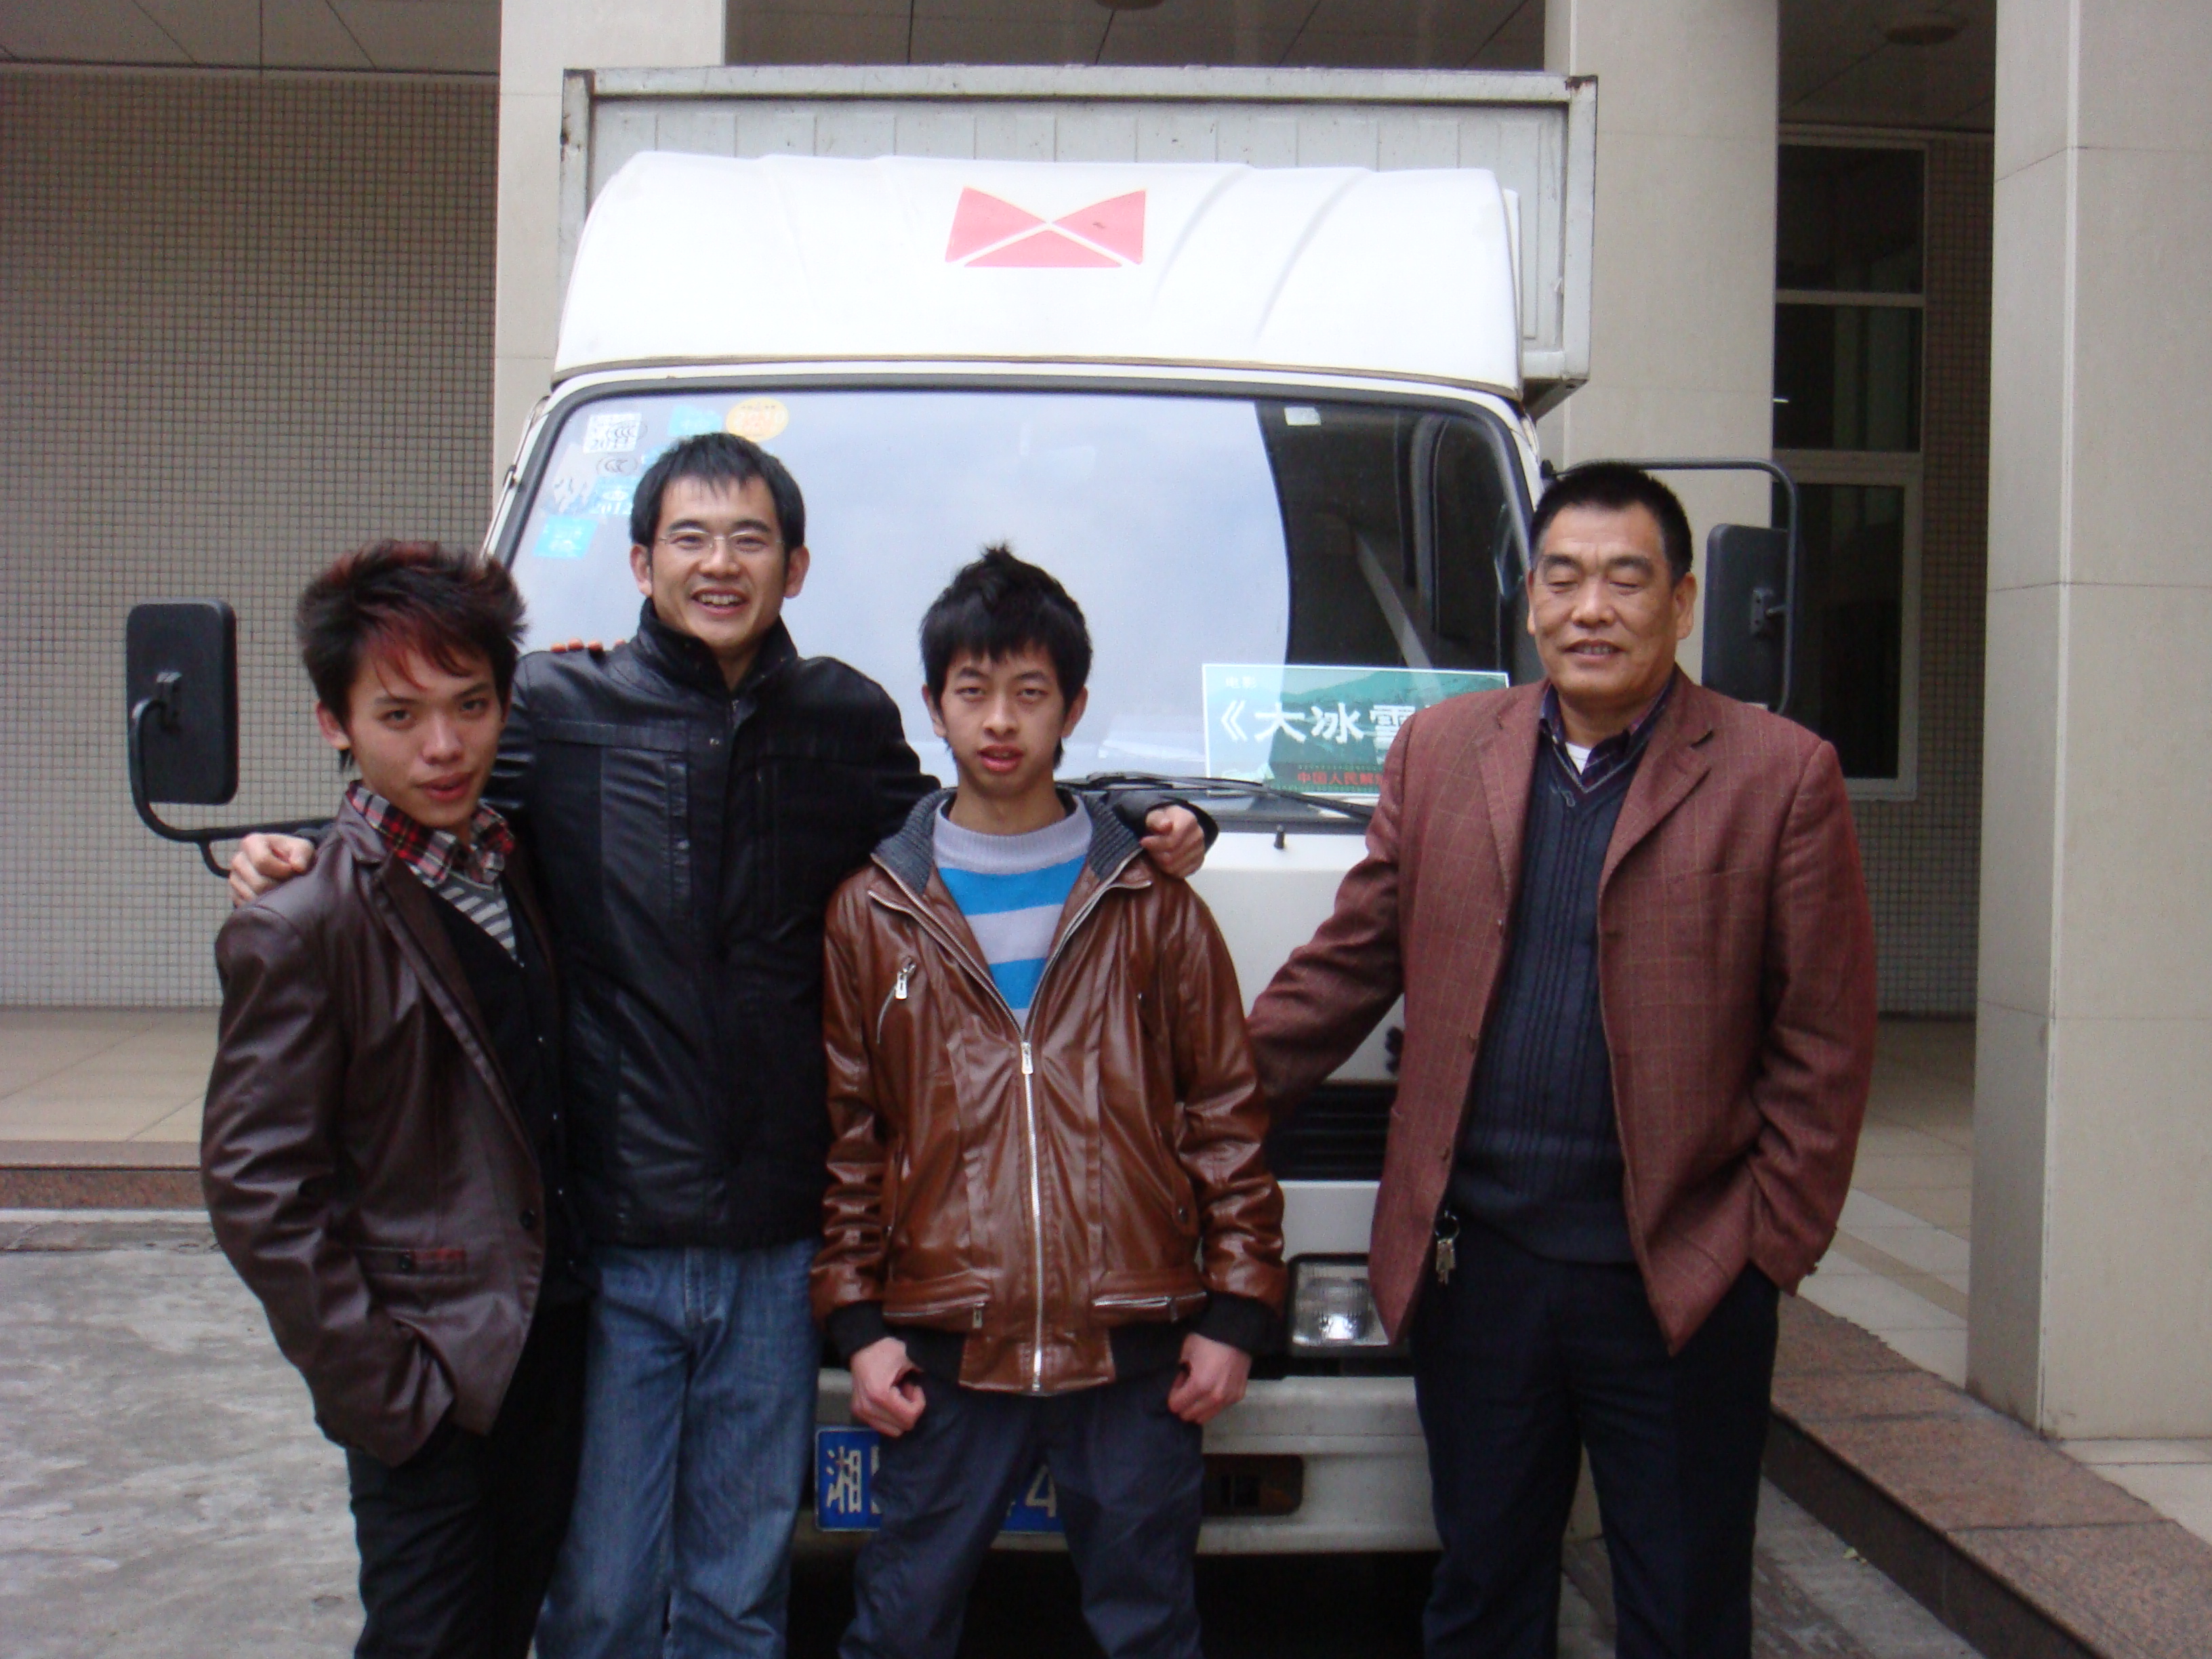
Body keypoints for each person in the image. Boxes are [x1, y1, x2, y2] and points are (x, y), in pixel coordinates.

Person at [228, 434, 1210, 1658]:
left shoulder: (844, 718)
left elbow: (970, 815)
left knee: (738, 1597)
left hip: (778, 1240)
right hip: (614, 1239)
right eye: (689, 537)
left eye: (751, 538)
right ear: (641, 563)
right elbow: (431, 805)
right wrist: (295, 847)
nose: (720, 563)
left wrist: (1136, 813)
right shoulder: (558, 714)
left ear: (796, 566)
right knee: (600, 1598)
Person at [1246, 463, 1877, 1658]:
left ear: (1681, 603)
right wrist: (1192, 1107)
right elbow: (1348, 964)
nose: (1592, 608)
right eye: (1565, 578)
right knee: (1483, 1596)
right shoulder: (1443, 751)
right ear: (1530, 598)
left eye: (1626, 580)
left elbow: (1825, 1039)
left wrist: (1762, 1250)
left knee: (1683, 1612)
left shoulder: (1780, 773)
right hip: (1480, 1271)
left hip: (1678, 1277)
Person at [812, 547, 1284, 1659]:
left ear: (1073, 708)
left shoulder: (1151, 904)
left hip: (1133, 1344)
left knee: (1150, 1626)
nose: (999, 720)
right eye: (972, 690)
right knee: (899, 1626)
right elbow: (850, 1140)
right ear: (933, 705)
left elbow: (1225, 1116)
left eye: (1030, 692)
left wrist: (1237, 1314)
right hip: (948, 1344)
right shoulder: (872, 911)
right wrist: (859, 1327)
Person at [203, 541, 588, 1659]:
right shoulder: (303, 921)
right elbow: (257, 1189)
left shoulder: (513, 862)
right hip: (429, 1376)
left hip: (548, 1350)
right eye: (399, 715)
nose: (443, 746)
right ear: (336, 723)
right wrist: (388, 1395)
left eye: (471, 706)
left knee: (508, 1627)